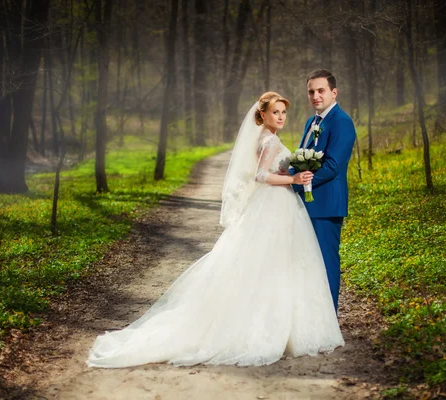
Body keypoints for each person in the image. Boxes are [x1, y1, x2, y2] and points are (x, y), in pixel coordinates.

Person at [87, 92, 344, 369]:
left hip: (278, 203)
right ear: (263, 116)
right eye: (275, 113)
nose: (281, 117)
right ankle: (269, 328)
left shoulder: (270, 138)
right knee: (271, 263)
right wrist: (292, 178)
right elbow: (259, 176)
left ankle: (286, 326)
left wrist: (295, 175)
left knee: (279, 263)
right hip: (273, 203)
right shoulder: (268, 140)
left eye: (283, 112)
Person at [292, 70, 357, 312]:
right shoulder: (312, 122)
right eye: (311, 91)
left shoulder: (342, 122)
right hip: (306, 203)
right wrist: (282, 177)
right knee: (307, 261)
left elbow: (332, 167)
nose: (316, 96)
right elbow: (301, 157)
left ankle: (328, 315)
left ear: (334, 92)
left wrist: (296, 183)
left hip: (327, 205)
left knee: (326, 261)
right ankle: (311, 313)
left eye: (321, 90)